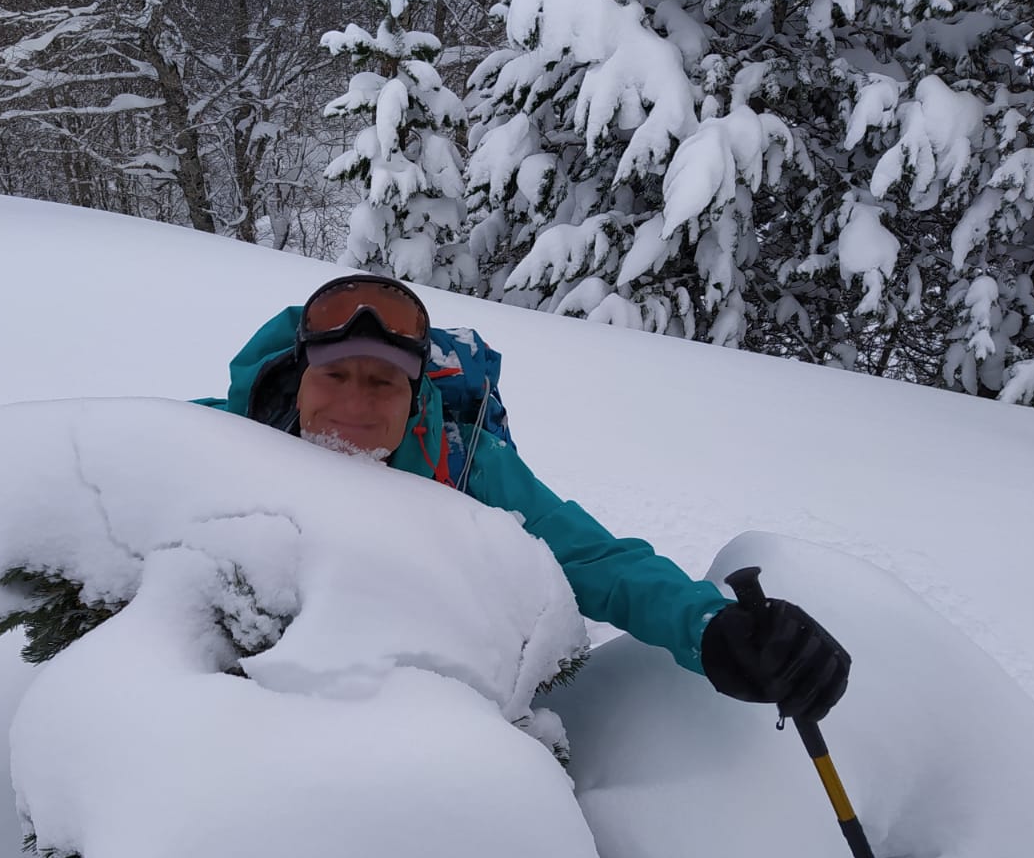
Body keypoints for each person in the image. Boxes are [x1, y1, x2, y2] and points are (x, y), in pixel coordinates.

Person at [201, 273, 849, 720]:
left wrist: (711, 628)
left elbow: (592, 558)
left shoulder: (466, 464)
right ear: (299, 376)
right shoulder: (218, 437)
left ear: (415, 397)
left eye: (382, 383)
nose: (354, 403)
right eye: (335, 374)